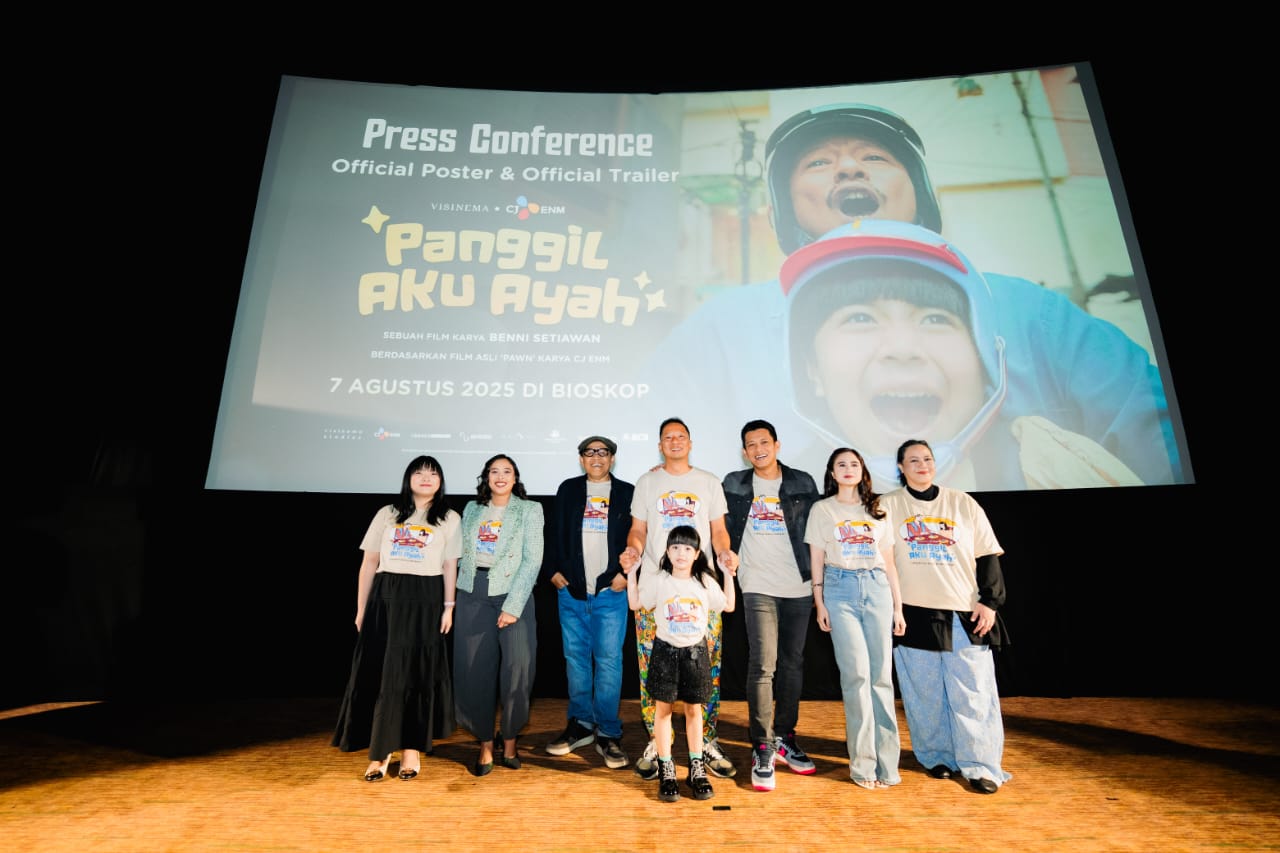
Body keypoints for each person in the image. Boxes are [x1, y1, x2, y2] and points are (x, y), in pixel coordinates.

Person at [644, 102, 1178, 489]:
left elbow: (1157, 440)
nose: (849, 168)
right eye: (818, 163)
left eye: (875, 157)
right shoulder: (719, 330)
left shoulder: (1034, 313)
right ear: (783, 209)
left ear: (919, 191)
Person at [780, 216, 1149, 492]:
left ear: (985, 359)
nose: (903, 349)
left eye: (935, 318)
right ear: (812, 371)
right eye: (860, 318)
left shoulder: (1058, 470)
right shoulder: (776, 497)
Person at [882, 439, 1011, 794]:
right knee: (923, 694)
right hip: (912, 613)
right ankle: (936, 757)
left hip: (963, 611)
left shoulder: (962, 502)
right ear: (900, 467)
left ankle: (980, 766)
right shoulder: (887, 506)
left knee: (973, 693)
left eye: (927, 458)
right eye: (913, 460)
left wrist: (990, 602)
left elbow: (988, 555)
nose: (921, 464)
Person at [620, 417, 739, 781]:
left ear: (690, 443)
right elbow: (638, 529)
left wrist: (725, 554)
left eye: (681, 436)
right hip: (656, 590)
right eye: (667, 437)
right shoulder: (647, 482)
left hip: (699, 588)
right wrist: (633, 550)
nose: (674, 441)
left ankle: (707, 739)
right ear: (660, 445)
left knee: (705, 668)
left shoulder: (708, 481)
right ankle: (658, 741)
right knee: (652, 670)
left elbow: (719, 531)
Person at [331, 455, 460, 781]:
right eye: (419, 472)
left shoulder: (449, 518)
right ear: (408, 478)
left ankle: (411, 750)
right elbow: (369, 563)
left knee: (417, 674)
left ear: (441, 481)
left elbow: (449, 566)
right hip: (387, 599)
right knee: (385, 675)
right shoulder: (387, 514)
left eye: (433, 473)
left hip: (426, 599)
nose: (426, 478)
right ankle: (380, 752)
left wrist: (449, 606)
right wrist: (362, 609)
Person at [721, 418, 820, 792]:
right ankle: (762, 745)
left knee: (793, 663)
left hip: (799, 584)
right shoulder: (734, 483)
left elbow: (818, 531)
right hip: (756, 584)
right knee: (763, 664)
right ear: (744, 451)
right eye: (751, 444)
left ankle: (784, 736)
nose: (758, 449)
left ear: (777, 445)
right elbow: (715, 520)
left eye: (764, 442)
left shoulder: (802, 482)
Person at [804, 447, 906, 789]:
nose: (848, 469)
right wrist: (820, 602)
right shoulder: (822, 509)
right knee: (857, 677)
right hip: (840, 589)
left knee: (881, 679)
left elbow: (889, 562)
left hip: (877, 588)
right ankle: (863, 766)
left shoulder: (879, 509)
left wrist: (898, 607)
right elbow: (816, 559)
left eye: (854, 464)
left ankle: (888, 767)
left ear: (863, 471)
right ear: (832, 473)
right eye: (841, 465)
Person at [542, 435, 635, 769]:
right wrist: (552, 571)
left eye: (603, 452)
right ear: (581, 459)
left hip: (611, 592)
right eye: (590, 452)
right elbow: (552, 533)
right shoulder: (568, 489)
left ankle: (608, 733)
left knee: (608, 662)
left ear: (612, 458)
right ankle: (581, 725)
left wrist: (625, 575)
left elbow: (640, 536)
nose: (597, 457)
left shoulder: (627, 492)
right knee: (576, 660)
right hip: (572, 592)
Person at [624, 525, 736, 802]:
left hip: (695, 654)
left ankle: (696, 768)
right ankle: (667, 767)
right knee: (662, 711)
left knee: (694, 711)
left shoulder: (704, 581)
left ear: (697, 553)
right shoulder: (660, 580)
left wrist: (727, 574)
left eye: (687, 548)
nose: (681, 553)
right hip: (665, 653)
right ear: (667, 551)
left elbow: (728, 605)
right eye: (675, 547)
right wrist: (632, 573)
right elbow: (635, 603)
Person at [453, 453, 545, 777]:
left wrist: (513, 606)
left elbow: (533, 560)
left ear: (515, 478)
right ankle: (485, 743)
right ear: (486, 477)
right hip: (472, 592)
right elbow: (459, 553)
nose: (500, 476)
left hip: (512, 592)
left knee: (518, 671)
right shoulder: (471, 509)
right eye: (494, 471)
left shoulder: (530, 510)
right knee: (474, 670)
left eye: (507, 471)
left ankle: (510, 740)